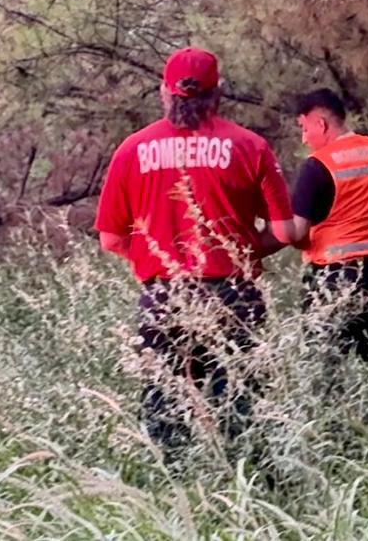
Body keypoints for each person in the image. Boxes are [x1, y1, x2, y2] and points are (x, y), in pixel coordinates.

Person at [95, 46, 297, 456]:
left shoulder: (132, 150)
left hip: (164, 295)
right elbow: (285, 231)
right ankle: (244, 483)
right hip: (233, 295)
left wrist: (158, 257)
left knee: (165, 405)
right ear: (218, 92)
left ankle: (174, 485)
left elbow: (111, 238)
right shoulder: (251, 146)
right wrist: (240, 253)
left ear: (164, 92)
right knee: (239, 404)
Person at [287, 88, 368, 361]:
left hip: (332, 279)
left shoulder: (316, 166)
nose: (304, 138)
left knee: (327, 366)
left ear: (321, 124)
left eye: (304, 128)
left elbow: (297, 232)